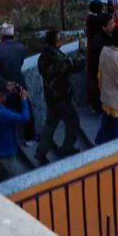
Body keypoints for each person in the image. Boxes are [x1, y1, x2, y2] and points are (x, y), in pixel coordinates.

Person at [35, 30, 83, 159]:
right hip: (62, 97)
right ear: (54, 42)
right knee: (73, 121)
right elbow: (78, 65)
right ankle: (67, 147)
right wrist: (81, 52)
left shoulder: (42, 57)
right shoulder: (58, 58)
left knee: (50, 124)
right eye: (59, 39)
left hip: (50, 96)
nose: (61, 41)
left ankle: (41, 151)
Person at [0, 78, 32, 180]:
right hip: (5, 153)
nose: (5, 95)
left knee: (4, 174)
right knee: (11, 177)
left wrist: (7, 90)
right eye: (2, 94)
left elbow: (1, 99)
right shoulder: (2, 114)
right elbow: (25, 117)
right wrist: (24, 99)